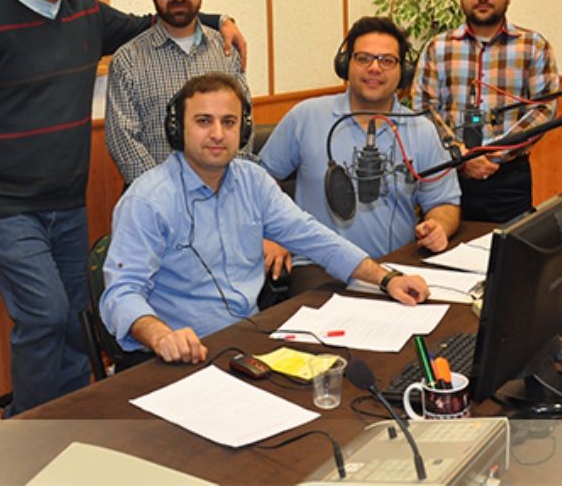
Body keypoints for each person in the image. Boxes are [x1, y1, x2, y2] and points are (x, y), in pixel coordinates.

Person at [0, 0, 245, 416]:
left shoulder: (87, 16)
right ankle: (28, 428)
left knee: (78, 319)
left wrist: (217, 21)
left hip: (67, 202)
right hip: (4, 204)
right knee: (45, 316)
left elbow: (159, 20)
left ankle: (75, 416)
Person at [99, 73, 432, 363]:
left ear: (243, 129)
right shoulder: (148, 200)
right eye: (203, 121)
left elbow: (314, 237)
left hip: (247, 343)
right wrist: (160, 336)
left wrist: (386, 279)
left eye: (229, 122)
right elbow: (122, 292)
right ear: (177, 130)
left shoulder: (252, 181)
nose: (217, 134)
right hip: (180, 354)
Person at [258, 17, 461, 293]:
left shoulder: (421, 130)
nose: (374, 68)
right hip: (320, 268)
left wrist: (439, 226)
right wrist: (269, 234)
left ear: (403, 71)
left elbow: (444, 201)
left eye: (387, 60)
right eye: (363, 58)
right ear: (345, 65)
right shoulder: (306, 117)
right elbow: (258, 184)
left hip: (396, 265)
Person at [417, 0, 559, 223]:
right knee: (441, 245)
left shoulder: (534, 46)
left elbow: (544, 109)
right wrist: (460, 155)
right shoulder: (437, 48)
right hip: (448, 175)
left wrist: (494, 153)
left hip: (509, 178)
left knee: (509, 247)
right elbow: (424, 108)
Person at [105, 0, 250, 186]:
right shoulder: (128, 60)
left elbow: (244, 124)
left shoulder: (226, 51)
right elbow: (123, 141)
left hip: (223, 193)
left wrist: (226, 187)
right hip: (156, 201)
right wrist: (167, 195)